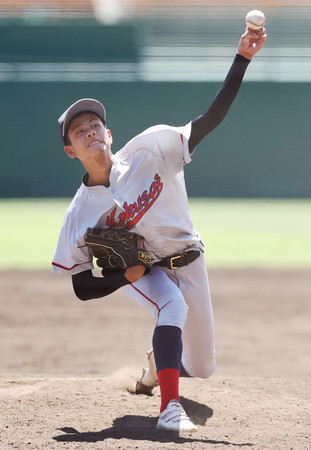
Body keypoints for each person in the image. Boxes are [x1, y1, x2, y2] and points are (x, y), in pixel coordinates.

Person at [52, 25, 267, 433]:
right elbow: (81, 285)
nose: (90, 132)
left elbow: (209, 120)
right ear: (71, 150)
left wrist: (242, 59)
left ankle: (158, 361)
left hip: (191, 257)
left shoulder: (151, 148)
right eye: (79, 131)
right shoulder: (79, 215)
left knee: (202, 367)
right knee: (171, 305)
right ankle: (170, 410)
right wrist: (122, 276)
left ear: (109, 133)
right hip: (147, 270)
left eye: (95, 124)